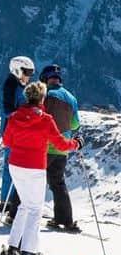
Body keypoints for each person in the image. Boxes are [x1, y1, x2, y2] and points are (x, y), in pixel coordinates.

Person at [0, 80, 81, 255]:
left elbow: (7, 141)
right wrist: (76, 144)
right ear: (42, 98)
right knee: (35, 208)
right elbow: (60, 144)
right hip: (34, 166)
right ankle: (29, 251)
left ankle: (13, 247)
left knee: (24, 206)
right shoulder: (45, 119)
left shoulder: (15, 116)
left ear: (27, 97)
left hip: (16, 165)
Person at [40, 64, 81, 232]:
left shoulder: (46, 95)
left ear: (45, 78)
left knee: (30, 179)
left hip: (43, 147)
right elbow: (75, 123)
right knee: (58, 184)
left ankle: (13, 213)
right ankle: (65, 220)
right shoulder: (71, 98)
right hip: (62, 148)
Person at [0, 55, 34, 219]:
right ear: (17, 69)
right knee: (10, 167)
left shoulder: (16, 84)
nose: (29, 76)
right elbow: (8, 110)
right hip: (12, 132)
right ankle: (7, 201)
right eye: (27, 72)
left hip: (17, 131)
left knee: (12, 167)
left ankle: (9, 200)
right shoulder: (11, 85)